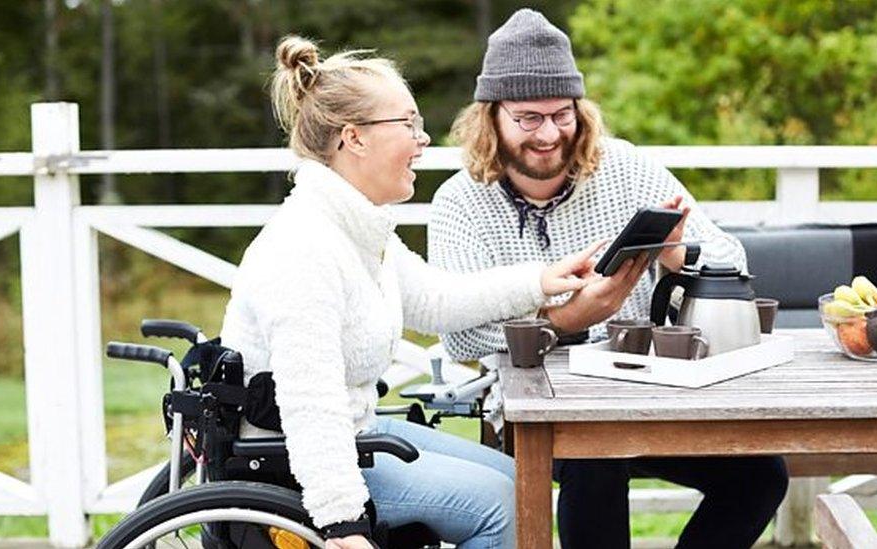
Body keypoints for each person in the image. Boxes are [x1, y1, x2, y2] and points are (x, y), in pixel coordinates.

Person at [220, 35, 602, 549]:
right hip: (291, 462)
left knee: (522, 481)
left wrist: (541, 280)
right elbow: (310, 404)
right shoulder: (305, 248)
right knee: (503, 505)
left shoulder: (357, 227)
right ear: (354, 138)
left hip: (352, 434)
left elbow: (436, 300)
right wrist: (343, 524)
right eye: (409, 124)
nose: (423, 140)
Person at [429, 9, 789, 549]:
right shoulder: (459, 201)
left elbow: (728, 256)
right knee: (594, 457)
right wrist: (564, 320)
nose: (549, 133)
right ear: (492, 117)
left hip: (649, 391)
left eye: (562, 114)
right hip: (537, 409)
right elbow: (459, 335)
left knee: (762, 477)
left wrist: (677, 253)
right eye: (529, 117)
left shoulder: (622, 166)